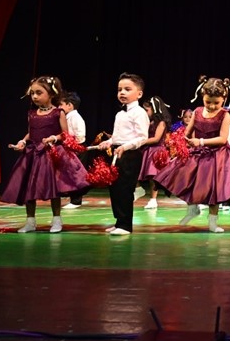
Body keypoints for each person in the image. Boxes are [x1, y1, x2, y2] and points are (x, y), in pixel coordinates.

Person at [154, 77, 230, 232]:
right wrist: (180, 141)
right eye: (208, 102)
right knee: (187, 181)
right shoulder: (197, 111)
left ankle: (213, 221)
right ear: (202, 97)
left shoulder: (225, 115)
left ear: (224, 99)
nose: (212, 106)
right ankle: (192, 209)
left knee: (215, 188)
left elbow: (222, 139)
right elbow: (187, 133)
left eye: (216, 103)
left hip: (217, 155)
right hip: (197, 153)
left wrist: (200, 141)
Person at [0, 75, 88, 233]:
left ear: (51, 94)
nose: (34, 96)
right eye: (32, 93)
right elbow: (31, 133)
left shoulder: (58, 112)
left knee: (54, 189)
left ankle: (56, 220)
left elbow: (65, 134)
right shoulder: (32, 113)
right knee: (29, 189)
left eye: (39, 93)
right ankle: (30, 221)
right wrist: (22, 141)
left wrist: (54, 138)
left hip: (50, 154)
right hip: (33, 154)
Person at [96, 73, 151, 236]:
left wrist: (125, 147)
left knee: (125, 190)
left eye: (127, 89)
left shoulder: (139, 113)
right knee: (115, 189)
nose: (122, 92)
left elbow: (142, 137)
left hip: (130, 154)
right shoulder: (120, 114)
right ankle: (119, 222)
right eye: (120, 89)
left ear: (139, 94)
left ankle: (126, 225)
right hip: (117, 152)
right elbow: (117, 136)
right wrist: (109, 142)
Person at [137, 96, 172, 210]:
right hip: (147, 150)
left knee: (153, 176)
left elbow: (156, 139)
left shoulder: (161, 123)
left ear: (155, 109)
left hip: (157, 151)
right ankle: (138, 189)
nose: (145, 112)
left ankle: (153, 200)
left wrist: (140, 142)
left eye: (147, 110)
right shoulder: (148, 121)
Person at [60, 91, 89, 209]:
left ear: (69, 105)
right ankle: (72, 196)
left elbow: (80, 135)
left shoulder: (75, 117)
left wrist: (72, 145)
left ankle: (76, 200)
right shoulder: (67, 117)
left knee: (76, 175)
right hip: (71, 149)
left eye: (61, 105)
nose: (59, 107)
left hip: (77, 148)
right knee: (70, 174)